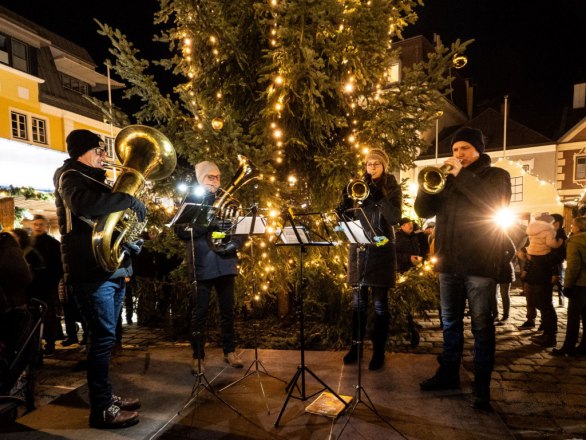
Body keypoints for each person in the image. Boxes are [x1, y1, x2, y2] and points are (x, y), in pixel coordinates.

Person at [415, 127, 512, 410]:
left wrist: (461, 175)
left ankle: (481, 387)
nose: (458, 154)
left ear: (478, 150)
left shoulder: (497, 176)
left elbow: (492, 203)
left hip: (480, 264)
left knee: (482, 326)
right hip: (449, 263)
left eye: (465, 149)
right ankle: (448, 376)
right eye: (455, 149)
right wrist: (426, 186)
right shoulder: (447, 180)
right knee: (449, 324)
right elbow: (423, 212)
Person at [53, 129, 145, 429]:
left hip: (109, 270)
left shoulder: (96, 180)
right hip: (89, 274)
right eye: (99, 150)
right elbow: (83, 207)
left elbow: (111, 225)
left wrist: (129, 242)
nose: (104, 155)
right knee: (101, 340)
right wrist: (125, 199)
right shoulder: (69, 178)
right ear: (82, 152)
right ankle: (101, 410)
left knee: (107, 339)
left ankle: (105, 398)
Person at [174, 160, 245, 373]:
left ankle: (229, 351)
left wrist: (234, 243)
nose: (215, 181)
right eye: (210, 177)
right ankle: (198, 355)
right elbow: (180, 231)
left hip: (225, 262)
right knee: (200, 312)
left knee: (227, 311)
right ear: (200, 179)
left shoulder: (229, 201)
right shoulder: (191, 201)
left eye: (218, 177)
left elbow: (240, 228)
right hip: (203, 264)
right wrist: (206, 225)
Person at [338, 148, 402, 371]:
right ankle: (355, 348)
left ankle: (378, 352)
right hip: (359, 249)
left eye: (376, 163)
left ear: (384, 165)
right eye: (368, 164)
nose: (372, 167)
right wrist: (343, 203)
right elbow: (348, 216)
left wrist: (379, 197)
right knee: (358, 303)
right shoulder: (358, 185)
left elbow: (395, 218)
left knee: (379, 305)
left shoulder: (392, 186)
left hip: (382, 249)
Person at [553, 216, 586, 356]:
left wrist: (567, 286)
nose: (571, 227)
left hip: (579, 285)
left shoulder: (575, 241)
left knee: (573, 317)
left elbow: (573, 266)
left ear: (578, 227)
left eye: (572, 225)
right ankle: (584, 346)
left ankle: (569, 346)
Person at [31, 215, 64, 353]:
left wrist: (52, 281)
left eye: (40, 224)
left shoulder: (53, 244)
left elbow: (59, 266)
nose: (38, 227)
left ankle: (50, 343)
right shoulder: (28, 242)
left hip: (47, 286)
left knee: (49, 314)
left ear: (46, 226)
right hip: (32, 286)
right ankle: (34, 344)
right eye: (35, 224)